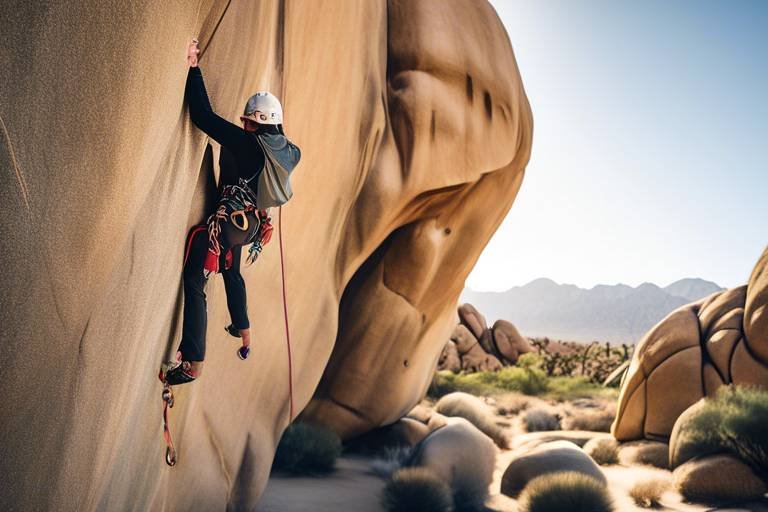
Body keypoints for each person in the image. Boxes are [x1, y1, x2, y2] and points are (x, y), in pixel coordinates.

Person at [164, 38, 301, 385]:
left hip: (229, 223)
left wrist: (194, 67)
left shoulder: (249, 144)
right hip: (251, 224)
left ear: (256, 123)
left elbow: (202, 117)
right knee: (231, 271)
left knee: (196, 279)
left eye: (248, 123)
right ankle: (243, 330)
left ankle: (192, 363)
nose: (243, 127)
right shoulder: (284, 151)